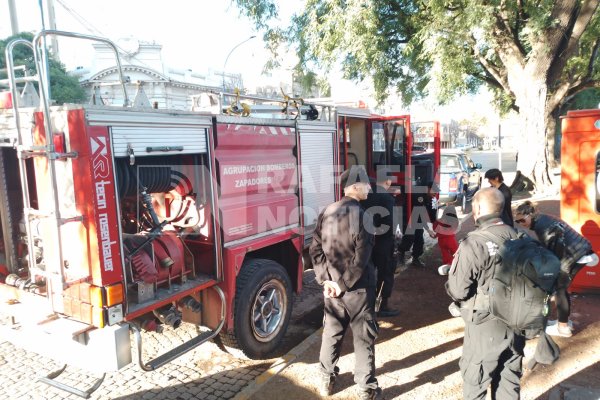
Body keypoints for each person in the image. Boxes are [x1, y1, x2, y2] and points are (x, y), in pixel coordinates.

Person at [309, 165, 383, 400]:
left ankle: (326, 379)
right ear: (354, 187)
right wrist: (341, 284)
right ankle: (366, 388)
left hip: (332, 289)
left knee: (332, 332)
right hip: (358, 289)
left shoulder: (327, 211)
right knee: (363, 338)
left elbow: (315, 248)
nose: (370, 188)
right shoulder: (364, 216)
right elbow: (362, 260)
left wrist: (326, 280)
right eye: (366, 184)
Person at [446, 187, 524, 400]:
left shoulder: (474, 243)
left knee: (476, 381)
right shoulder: (521, 236)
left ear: (478, 209)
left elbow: (458, 290)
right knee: (509, 379)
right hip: (518, 320)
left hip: (485, 324)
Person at [514, 200, 595, 338]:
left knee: (560, 289)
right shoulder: (542, 219)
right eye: (518, 222)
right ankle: (564, 322)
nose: (521, 224)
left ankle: (563, 328)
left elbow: (554, 251)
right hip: (582, 251)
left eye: (522, 220)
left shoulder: (541, 226)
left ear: (530, 215)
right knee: (561, 288)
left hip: (577, 255)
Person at [361, 167, 400, 318]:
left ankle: (366, 304)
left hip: (367, 242)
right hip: (384, 243)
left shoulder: (366, 194)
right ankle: (381, 306)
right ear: (388, 181)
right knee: (385, 274)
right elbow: (390, 224)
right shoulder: (387, 198)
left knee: (369, 273)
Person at [398, 182, 437, 268]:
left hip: (417, 219)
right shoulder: (419, 196)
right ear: (428, 189)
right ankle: (400, 252)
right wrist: (429, 230)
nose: (435, 192)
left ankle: (415, 258)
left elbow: (430, 215)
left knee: (419, 239)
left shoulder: (430, 198)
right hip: (407, 217)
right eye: (434, 190)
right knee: (410, 237)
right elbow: (422, 214)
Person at [433, 204, 460, 271]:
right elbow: (455, 228)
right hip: (450, 239)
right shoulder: (454, 221)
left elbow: (435, 228)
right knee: (456, 252)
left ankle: (447, 265)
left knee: (445, 253)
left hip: (441, 240)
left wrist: (436, 235)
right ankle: (456, 265)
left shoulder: (439, 220)